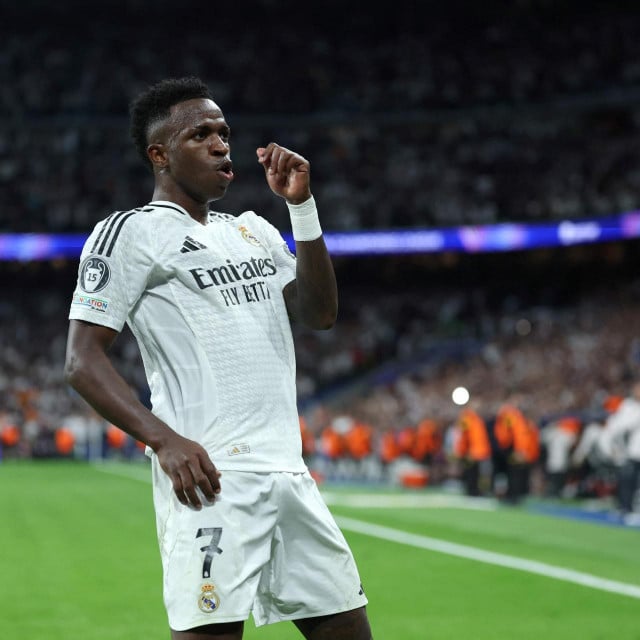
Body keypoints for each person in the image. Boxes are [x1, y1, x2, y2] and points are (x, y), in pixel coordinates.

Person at [64, 77, 372, 640]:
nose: (220, 144)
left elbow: (320, 313)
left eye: (224, 133)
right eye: (200, 134)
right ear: (159, 155)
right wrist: (164, 441)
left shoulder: (252, 230)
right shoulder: (129, 232)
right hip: (212, 478)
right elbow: (82, 361)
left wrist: (301, 208)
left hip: (289, 474)